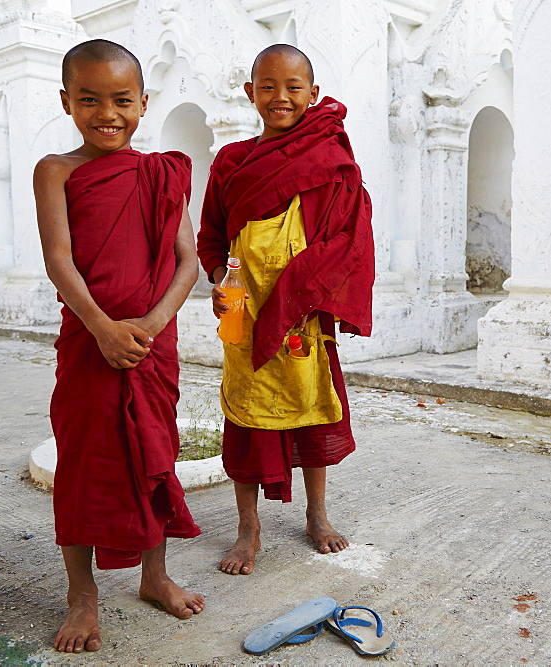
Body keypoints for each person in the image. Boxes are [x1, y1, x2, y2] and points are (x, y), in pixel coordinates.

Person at [33, 39, 204, 653]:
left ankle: (154, 577)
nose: (108, 113)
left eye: (122, 100)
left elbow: (189, 261)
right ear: (66, 103)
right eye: (89, 100)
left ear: (143, 103)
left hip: (151, 345)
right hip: (89, 340)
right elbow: (59, 259)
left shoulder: (162, 173)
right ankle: (83, 599)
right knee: (84, 467)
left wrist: (149, 328)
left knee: (152, 454)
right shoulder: (57, 170)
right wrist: (105, 328)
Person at [197, 44, 374, 576]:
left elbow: (350, 238)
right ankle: (247, 530)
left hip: (305, 313)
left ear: (312, 94)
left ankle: (317, 515)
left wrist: (308, 289)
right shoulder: (231, 163)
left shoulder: (330, 158)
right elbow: (211, 236)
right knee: (246, 418)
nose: (281, 97)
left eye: (294, 87)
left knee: (314, 407)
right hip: (244, 313)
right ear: (250, 93)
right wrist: (216, 279)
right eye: (268, 86)